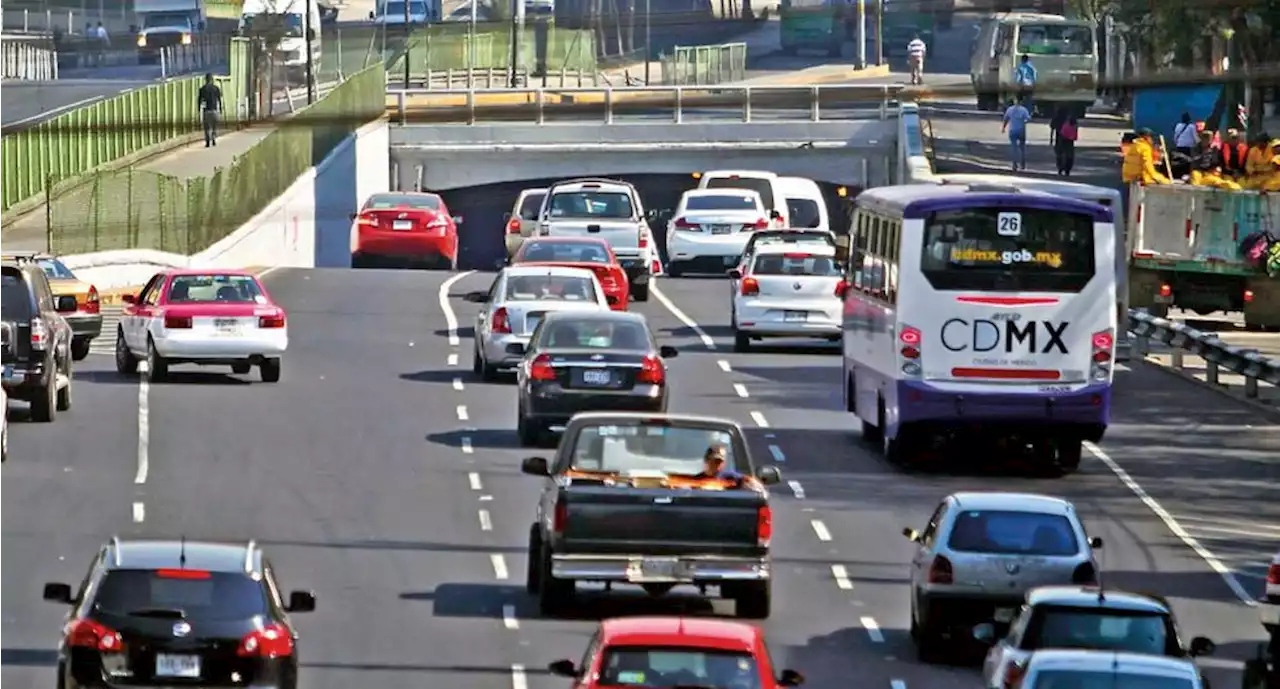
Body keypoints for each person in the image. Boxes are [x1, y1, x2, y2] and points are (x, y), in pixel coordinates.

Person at [1002, 97, 1032, 172]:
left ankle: (1014, 164)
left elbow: (1006, 119)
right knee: (1022, 148)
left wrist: (1003, 128)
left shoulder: (1010, 109)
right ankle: (1022, 163)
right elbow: (1028, 119)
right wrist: (1025, 121)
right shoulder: (1024, 110)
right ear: (1021, 102)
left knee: (1014, 148)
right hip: (1021, 130)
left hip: (1012, 130)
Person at [1049, 105, 1077, 176]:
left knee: (1059, 154)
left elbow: (1052, 129)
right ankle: (1068, 169)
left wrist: (1051, 139)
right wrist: (1075, 136)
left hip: (1059, 138)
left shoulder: (1056, 117)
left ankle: (1060, 168)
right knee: (1069, 154)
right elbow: (1075, 127)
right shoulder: (1071, 118)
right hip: (1069, 138)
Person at [197, 73, 222, 147]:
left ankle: (207, 141)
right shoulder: (216, 88)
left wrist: (198, 109)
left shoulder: (202, 89)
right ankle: (213, 137)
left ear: (206, 79)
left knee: (207, 127)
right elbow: (219, 100)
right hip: (214, 110)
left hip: (206, 111)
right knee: (215, 126)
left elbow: (199, 100)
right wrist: (220, 109)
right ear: (212, 79)